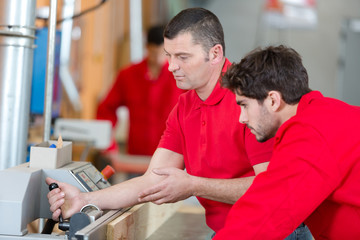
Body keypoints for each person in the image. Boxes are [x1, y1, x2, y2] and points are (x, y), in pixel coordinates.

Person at [48, 8, 278, 235]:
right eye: (169, 55)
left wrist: (194, 185)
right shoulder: (185, 107)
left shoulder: (251, 98)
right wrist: (84, 199)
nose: (171, 67)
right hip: (229, 230)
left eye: (183, 57)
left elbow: (270, 187)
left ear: (215, 54)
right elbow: (152, 180)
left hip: (275, 230)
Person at [214, 45, 360, 239]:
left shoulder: (310, 132)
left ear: (273, 100)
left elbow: (265, 215)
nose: (242, 118)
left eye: (245, 105)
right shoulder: (323, 115)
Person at [95, 25, 184, 174]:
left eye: (164, 53)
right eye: (154, 53)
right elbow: (106, 110)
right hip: (135, 160)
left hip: (170, 159)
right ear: (146, 47)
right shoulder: (128, 75)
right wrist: (108, 145)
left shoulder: (180, 78)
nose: (158, 59)